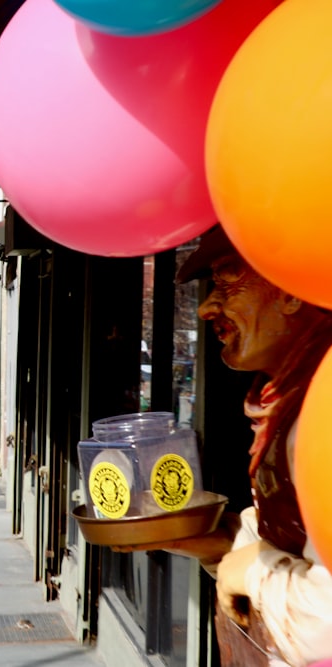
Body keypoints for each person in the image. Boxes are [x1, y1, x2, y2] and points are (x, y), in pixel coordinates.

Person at [124, 226, 332, 666]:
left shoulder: (322, 409)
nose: (205, 308)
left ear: (290, 291)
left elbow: (323, 622)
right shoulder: (291, 401)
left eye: (228, 280)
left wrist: (250, 570)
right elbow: (296, 541)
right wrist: (225, 544)